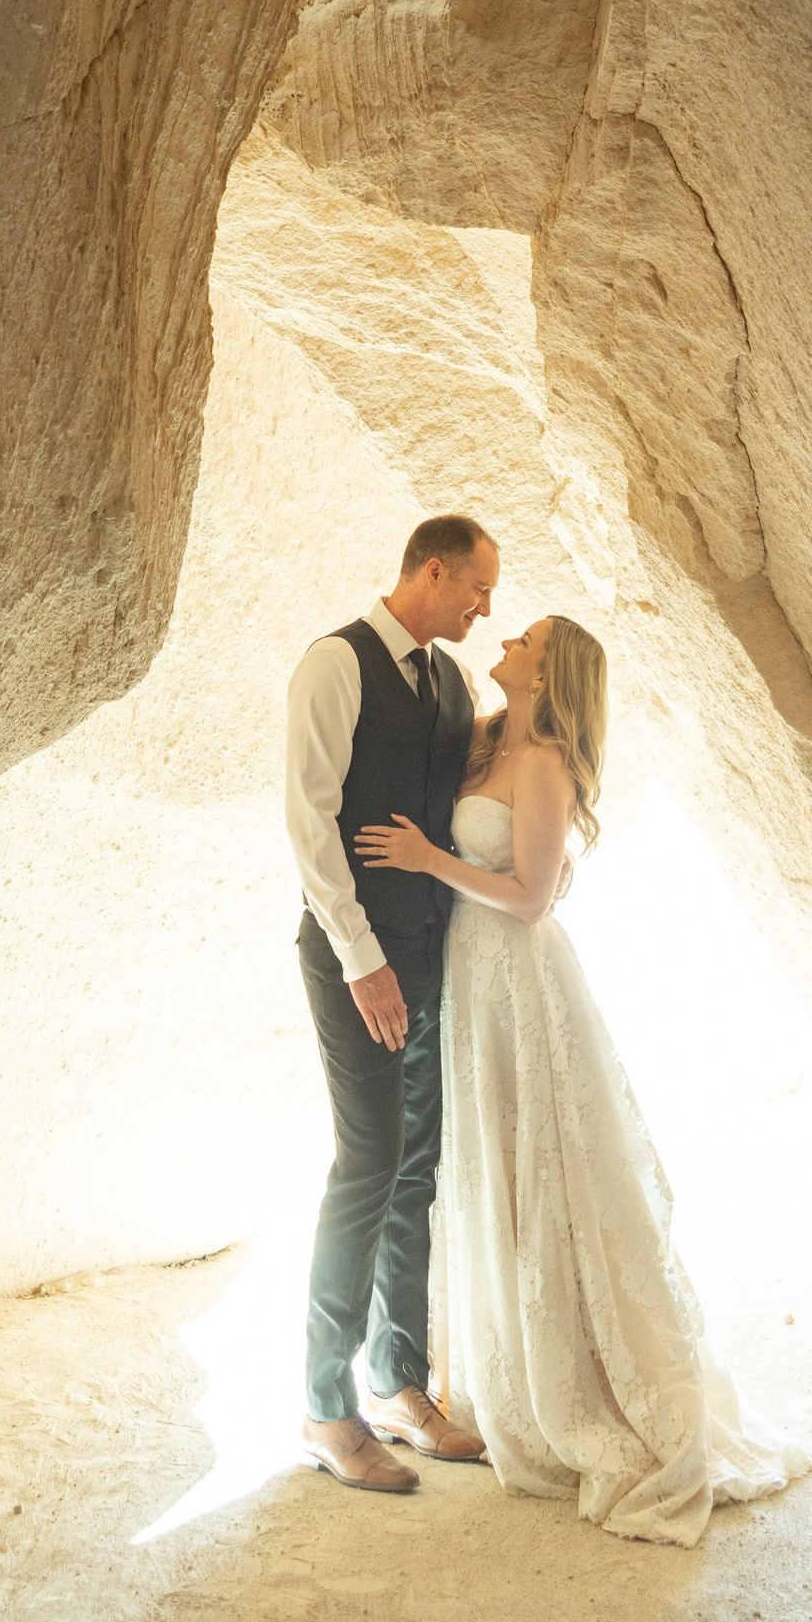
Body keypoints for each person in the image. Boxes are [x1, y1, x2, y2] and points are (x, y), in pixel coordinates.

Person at [361, 612, 812, 1543]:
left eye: (523, 637)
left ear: (549, 668)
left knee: (548, 1165)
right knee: (485, 1167)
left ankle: (599, 1391)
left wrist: (430, 858)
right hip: (465, 978)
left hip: (520, 978)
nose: (508, 640)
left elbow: (530, 897)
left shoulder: (544, 765)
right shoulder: (485, 739)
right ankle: (495, 1376)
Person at [285, 516, 501, 1492]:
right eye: (475, 589)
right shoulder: (335, 664)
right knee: (368, 1160)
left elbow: (466, 781)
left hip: (432, 947)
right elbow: (310, 819)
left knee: (416, 1163)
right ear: (431, 569)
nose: (483, 609)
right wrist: (362, 958)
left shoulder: (449, 682)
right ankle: (327, 1410)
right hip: (355, 955)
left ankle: (399, 1386)